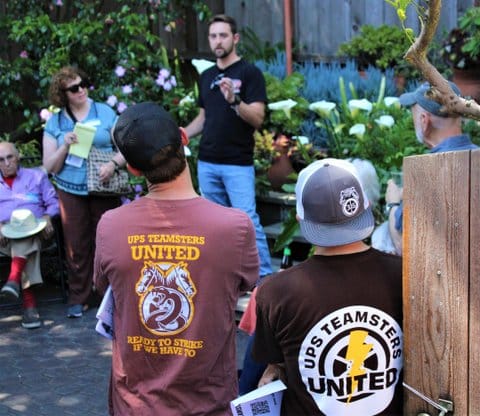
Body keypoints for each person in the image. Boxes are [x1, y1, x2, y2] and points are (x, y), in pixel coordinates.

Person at [93, 102, 259, 415]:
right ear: (184, 137)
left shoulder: (110, 226)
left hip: (135, 406)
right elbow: (245, 284)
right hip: (209, 404)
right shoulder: (235, 227)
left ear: (132, 168)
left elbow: (103, 285)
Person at [252, 158, 403, 415]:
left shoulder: (275, 292)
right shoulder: (403, 275)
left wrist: (274, 370)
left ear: (300, 217)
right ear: (365, 206)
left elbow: (275, 365)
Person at [184, 14, 272, 278]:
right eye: (213, 36)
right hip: (207, 162)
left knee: (246, 221)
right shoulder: (207, 75)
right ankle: (223, 275)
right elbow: (203, 118)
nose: (217, 41)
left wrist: (235, 101)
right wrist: (180, 135)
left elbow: (257, 119)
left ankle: (265, 278)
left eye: (223, 35)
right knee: (213, 224)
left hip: (237, 163)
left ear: (235, 38)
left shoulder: (250, 73)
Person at [42, 66, 126, 318]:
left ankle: (109, 296)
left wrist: (113, 165)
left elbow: (125, 146)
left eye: (84, 83)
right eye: (74, 88)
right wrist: (64, 147)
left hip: (104, 186)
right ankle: (79, 296)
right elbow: (50, 167)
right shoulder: (56, 122)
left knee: (108, 242)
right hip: (70, 189)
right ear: (62, 94)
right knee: (76, 245)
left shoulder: (104, 111)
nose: (82, 90)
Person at [386, 81, 479, 254]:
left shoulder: (425, 172)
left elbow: (402, 245)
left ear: (424, 121)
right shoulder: (476, 156)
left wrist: (392, 203)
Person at [0, 141, 59, 329]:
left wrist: (49, 217)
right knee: (22, 241)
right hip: (4, 236)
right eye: (1, 160)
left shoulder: (36, 176)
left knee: (26, 235)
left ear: (18, 158)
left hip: (36, 230)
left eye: (10, 157)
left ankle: (15, 279)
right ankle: (29, 305)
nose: (6, 163)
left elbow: (53, 202)